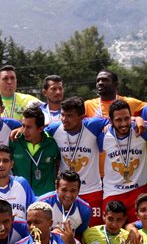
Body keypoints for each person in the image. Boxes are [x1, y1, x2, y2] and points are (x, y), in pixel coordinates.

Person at [46, 96, 108, 224]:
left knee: (92, 232)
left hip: (91, 191)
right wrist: (20, 129)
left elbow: (116, 119)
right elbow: (36, 130)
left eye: (69, 116)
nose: (64, 120)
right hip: (65, 192)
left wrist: (137, 119)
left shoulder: (93, 125)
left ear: (82, 116)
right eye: (62, 115)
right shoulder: (54, 129)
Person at [99, 99, 147, 216]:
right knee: (112, 231)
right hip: (113, 192)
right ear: (111, 121)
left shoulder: (142, 130)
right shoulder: (102, 136)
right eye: (118, 120)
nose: (124, 124)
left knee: (139, 232)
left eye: (127, 118)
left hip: (138, 191)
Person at [11, 105, 60, 196]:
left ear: (40, 128)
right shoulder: (15, 141)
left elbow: (58, 164)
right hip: (21, 196)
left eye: (29, 127)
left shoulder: (52, 143)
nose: (24, 131)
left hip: (45, 197)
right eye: (23, 126)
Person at [38, 170, 91, 239]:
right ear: (56, 188)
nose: (68, 195)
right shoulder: (42, 204)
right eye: (64, 190)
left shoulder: (85, 210)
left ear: (78, 191)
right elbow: (34, 231)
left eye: (73, 191)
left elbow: (80, 236)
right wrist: (50, 234)